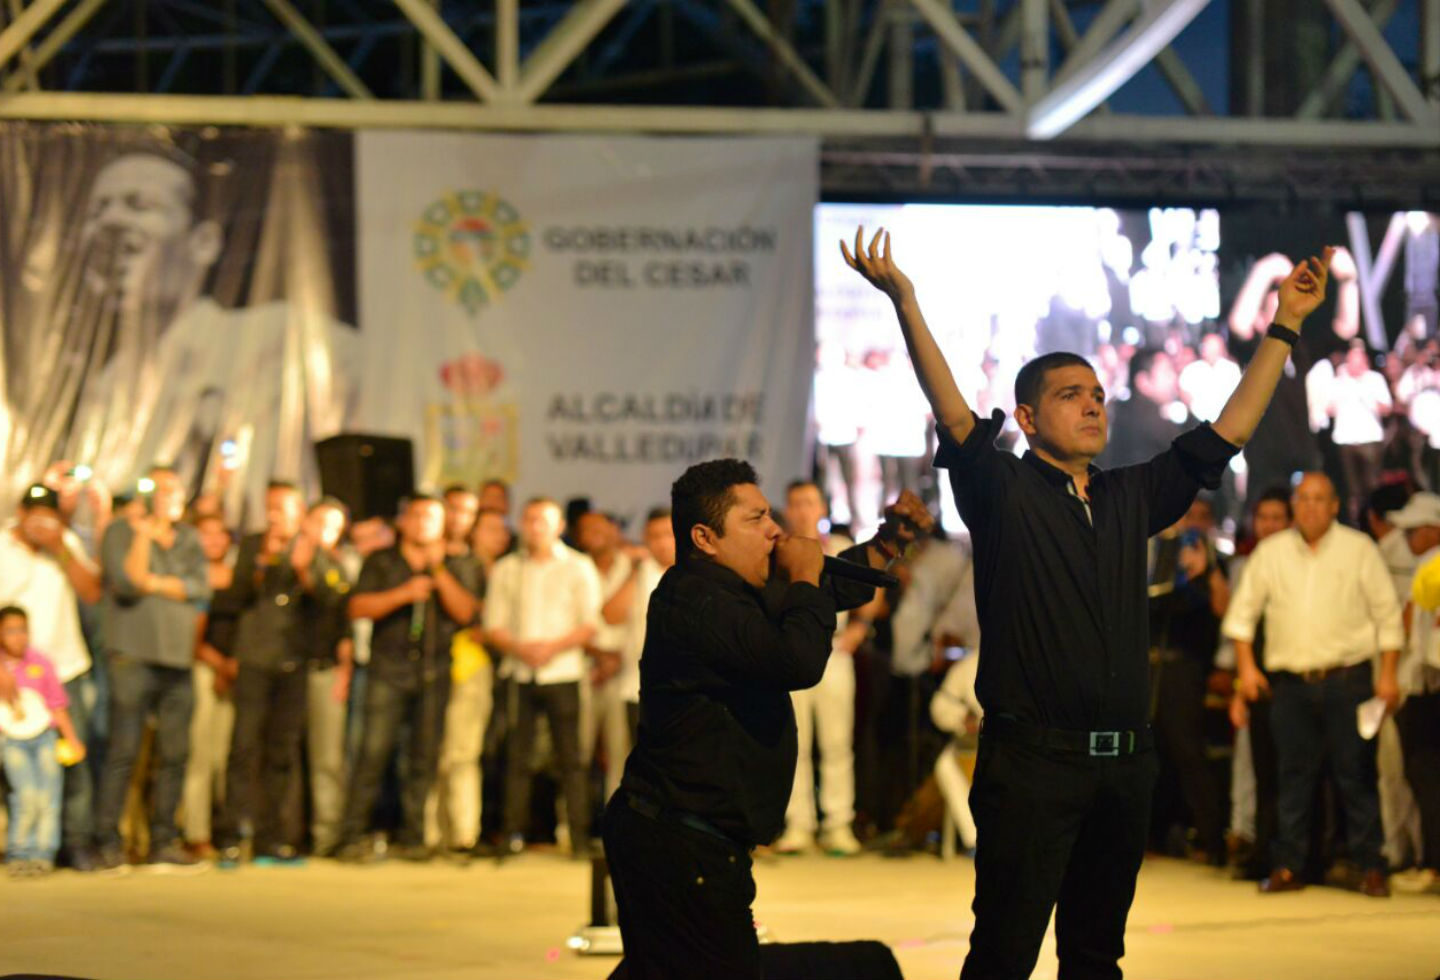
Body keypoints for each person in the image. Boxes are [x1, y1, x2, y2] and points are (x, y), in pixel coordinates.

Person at [843, 225, 1332, 978]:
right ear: (1030, 419)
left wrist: (1287, 324)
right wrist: (906, 302)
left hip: (1123, 769)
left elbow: (1229, 429)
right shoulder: (1000, 489)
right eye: (1072, 396)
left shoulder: (1130, 493)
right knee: (1003, 955)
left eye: (1098, 394)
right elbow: (953, 413)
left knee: (1097, 958)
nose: (1094, 406)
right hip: (1032, 766)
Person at [603, 458, 929, 977]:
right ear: (705, 537)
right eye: (755, 520)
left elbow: (825, 592)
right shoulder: (696, 600)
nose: (775, 529)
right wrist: (803, 574)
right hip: (680, 846)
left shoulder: (737, 588)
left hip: (687, 841)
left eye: (769, 514)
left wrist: (887, 543)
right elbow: (797, 661)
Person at [1222, 473, 1403, 898]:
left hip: (1348, 678)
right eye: (1303, 499)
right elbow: (1241, 617)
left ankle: (1370, 864)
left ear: (1335, 505)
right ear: (1295, 504)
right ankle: (1289, 865)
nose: (1311, 507)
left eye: (1320, 499)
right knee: (1294, 777)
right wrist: (1246, 670)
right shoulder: (1271, 552)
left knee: (1355, 773)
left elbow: (1388, 616)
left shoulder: (1359, 549)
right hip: (1290, 683)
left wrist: (1389, 674)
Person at [336, 495, 479, 862]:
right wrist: (403, 594)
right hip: (389, 669)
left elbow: (466, 612)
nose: (422, 524)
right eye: (415, 516)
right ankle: (351, 834)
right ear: (402, 522)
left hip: (434, 671)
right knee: (373, 753)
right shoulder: (381, 561)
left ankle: (414, 837)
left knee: (424, 757)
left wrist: (438, 573)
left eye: (431, 517)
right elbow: (357, 607)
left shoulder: (455, 563)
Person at [95, 464, 212, 872]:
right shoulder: (120, 532)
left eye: (175, 490)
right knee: (124, 752)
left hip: (178, 660)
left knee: (175, 753)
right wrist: (143, 536)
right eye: (160, 490)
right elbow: (128, 583)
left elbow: (200, 588)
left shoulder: (190, 538)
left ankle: (164, 841)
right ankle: (108, 843)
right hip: (132, 656)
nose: (169, 497)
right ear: (145, 497)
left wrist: (155, 582)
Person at [483, 497, 602, 857]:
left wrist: (551, 648)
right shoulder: (508, 568)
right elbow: (493, 624)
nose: (536, 527)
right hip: (520, 672)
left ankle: (579, 835)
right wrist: (521, 648)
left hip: (562, 671)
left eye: (544, 520)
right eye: (530, 519)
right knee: (517, 757)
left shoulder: (578, 566)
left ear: (559, 526)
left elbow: (590, 623)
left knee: (570, 757)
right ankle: (512, 833)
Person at [0, 484, 103, 870]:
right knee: (15, 766)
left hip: (64, 669)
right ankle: (21, 846)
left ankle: (74, 844)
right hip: (12, 676)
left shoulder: (66, 544)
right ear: (21, 513)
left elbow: (92, 592)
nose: (43, 522)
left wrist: (60, 546)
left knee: (71, 760)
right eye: (36, 514)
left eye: (51, 514)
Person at [774, 479, 878, 857]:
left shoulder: (839, 549)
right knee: (794, 743)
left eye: (809, 502)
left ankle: (838, 824)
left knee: (836, 743)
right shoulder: (778, 551)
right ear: (787, 508)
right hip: (791, 655)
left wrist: (859, 629)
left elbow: (871, 591)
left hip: (835, 655)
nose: (803, 510)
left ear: (821, 508)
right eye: (796, 502)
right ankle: (798, 824)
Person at [180, 512, 241, 857]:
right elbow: (189, 631)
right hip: (202, 670)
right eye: (207, 534)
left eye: (221, 533)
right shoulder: (189, 577)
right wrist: (216, 663)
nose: (215, 541)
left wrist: (231, 665)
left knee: (224, 756)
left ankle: (224, 830)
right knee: (199, 755)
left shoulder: (240, 577)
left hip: (234, 672)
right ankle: (195, 832)